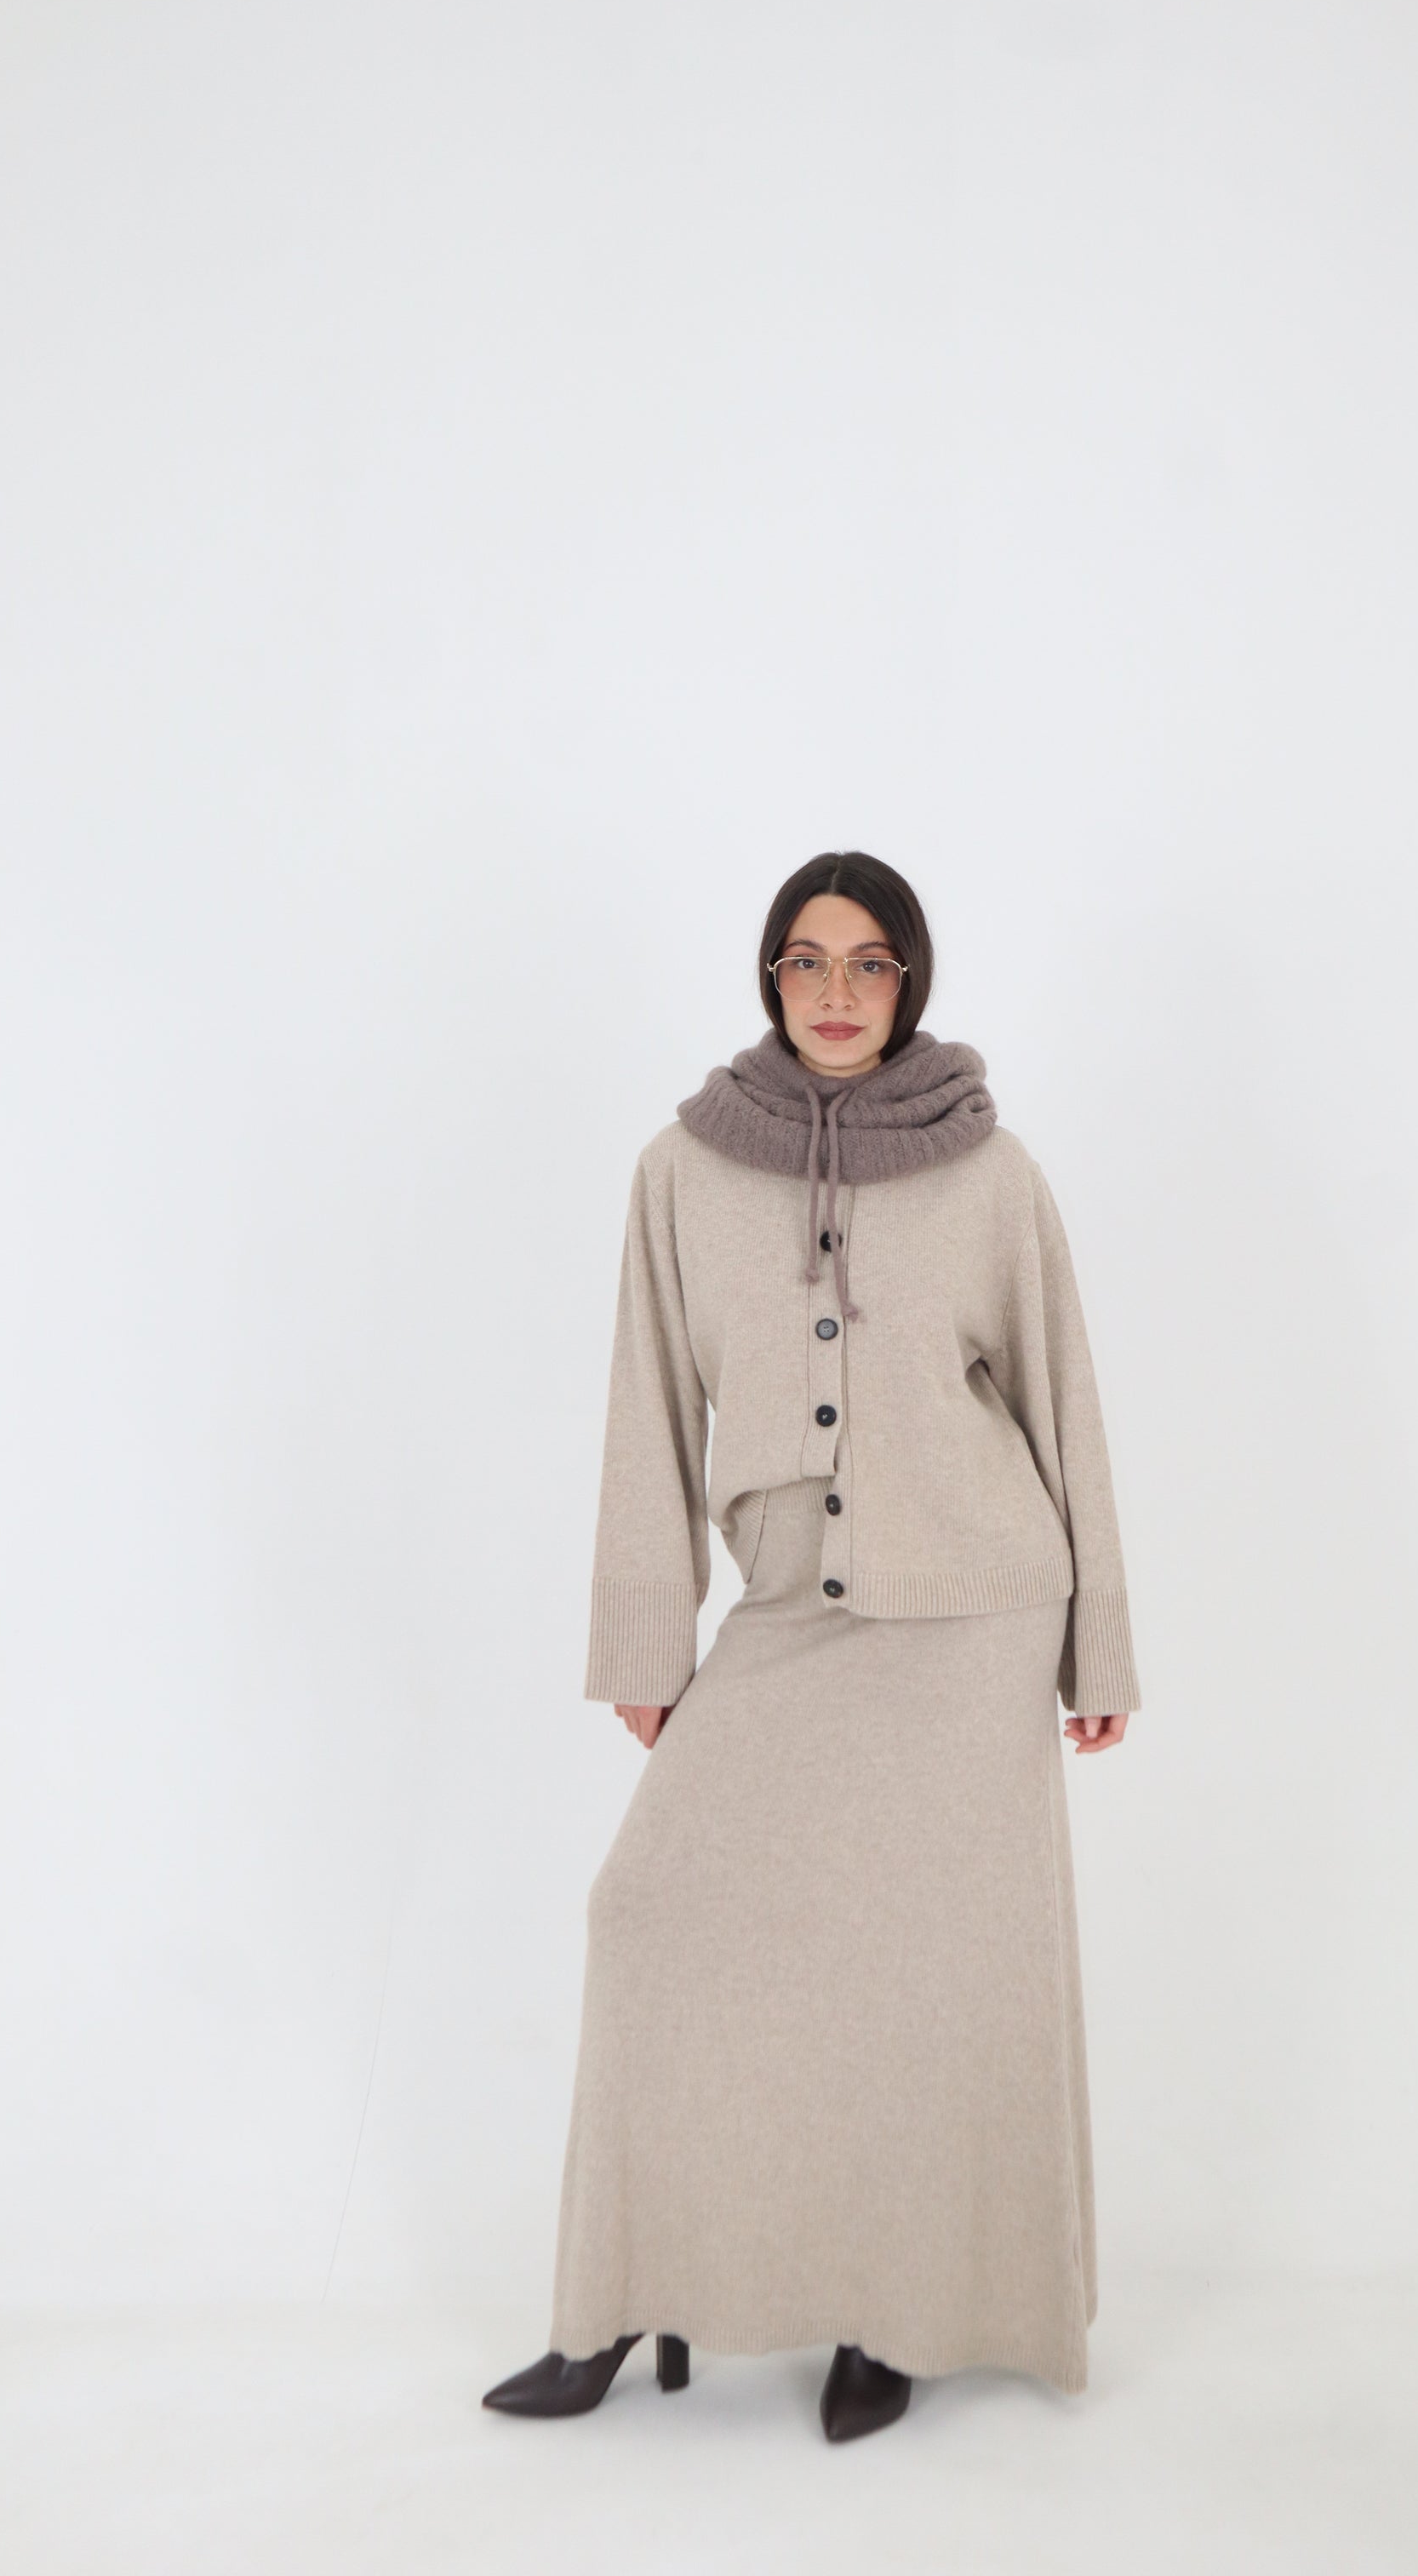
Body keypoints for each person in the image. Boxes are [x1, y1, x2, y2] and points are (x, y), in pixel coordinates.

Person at [483, 852, 1142, 2441]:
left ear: (912, 981)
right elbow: (648, 1410)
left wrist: (1099, 1654)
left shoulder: (989, 1171)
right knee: (649, 1915)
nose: (836, 993)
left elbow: (1062, 1402)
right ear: (768, 977)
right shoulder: (682, 1171)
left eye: (869, 964)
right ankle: (617, 2299)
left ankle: (892, 2314)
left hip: (976, 1620)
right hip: (786, 1618)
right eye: (805, 961)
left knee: (922, 1984)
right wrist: (649, 1642)